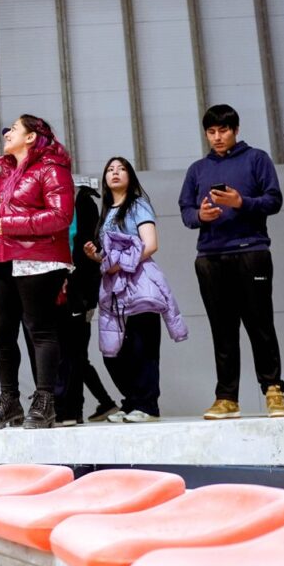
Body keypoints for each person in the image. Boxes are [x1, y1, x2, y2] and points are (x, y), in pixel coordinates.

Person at [178, 104, 284, 421]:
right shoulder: (198, 169)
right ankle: (226, 397)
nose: (217, 137)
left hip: (251, 251)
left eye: (223, 130)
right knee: (222, 329)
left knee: (260, 324)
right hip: (210, 257)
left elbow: (274, 200)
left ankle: (274, 390)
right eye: (211, 132)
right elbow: (186, 210)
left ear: (236, 130)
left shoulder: (257, 159)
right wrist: (201, 216)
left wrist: (241, 202)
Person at [0, 115, 75, 430]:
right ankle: (9, 401)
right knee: (2, 333)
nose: (7, 133)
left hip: (40, 259)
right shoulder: (3, 177)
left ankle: (45, 401)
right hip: (2, 261)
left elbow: (61, 215)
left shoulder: (52, 170)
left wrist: (14, 225)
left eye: (14, 129)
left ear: (31, 137)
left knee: (40, 331)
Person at [86, 157, 186, 422]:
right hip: (116, 287)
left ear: (131, 176)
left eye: (121, 169)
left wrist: (118, 263)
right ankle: (132, 402)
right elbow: (110, 257)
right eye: (110, 169)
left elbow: (150, 244)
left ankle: (148, 406)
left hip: (140, 282)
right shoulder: (107, 211)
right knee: (116, 351)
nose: (115, 173)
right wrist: (98, 258)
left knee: (144, 346)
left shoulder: (138, 205)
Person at [53, 181, 119, 426]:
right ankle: (83, 408)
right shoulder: (49, 199)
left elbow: (90, 251)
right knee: (69, 353)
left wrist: (88, 294)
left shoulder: (83, 202)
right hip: (57, 286)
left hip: (79, 290)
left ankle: (76, 409)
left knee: (75, 353)